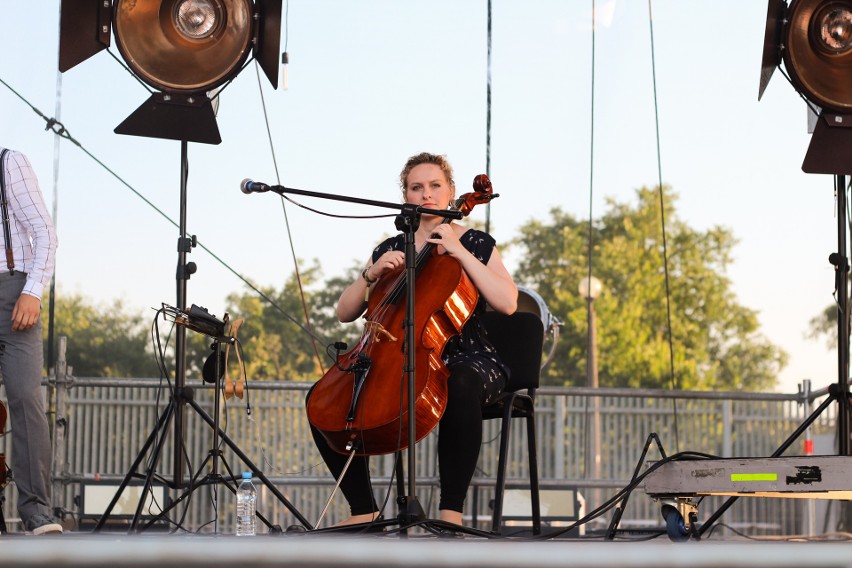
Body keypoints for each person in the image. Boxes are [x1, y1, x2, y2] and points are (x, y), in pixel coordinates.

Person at [308, 152, 517, 528]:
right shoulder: (391, 248)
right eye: (416, 187)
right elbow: (344, 313)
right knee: (326, 396)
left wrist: (459, 252)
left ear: (451, 191)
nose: (426, 194)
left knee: (460, 383)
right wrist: (370, 275)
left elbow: (507, 303)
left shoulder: (476, 243)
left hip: (467, 357)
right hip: (397, 355)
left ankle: (450, 514)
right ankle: (364, 510)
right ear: (404, 195)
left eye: (435, 185)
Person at [0, 147, 60, 535]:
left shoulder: (8, 162)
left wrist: (33, 291)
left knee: (24, 397)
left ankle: (36, 509)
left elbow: (45, 234)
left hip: (12, 291)